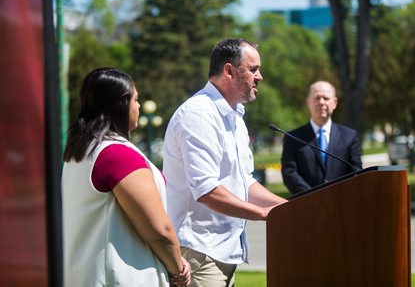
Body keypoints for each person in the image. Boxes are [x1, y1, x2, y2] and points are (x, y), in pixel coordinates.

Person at [163, 38, 287, 286]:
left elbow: (245, 183)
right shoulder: (198, 115)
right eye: (253, 69)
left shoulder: (235, 116)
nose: (260, 77)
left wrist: (289, 208)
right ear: (229, 71)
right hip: (199, 254)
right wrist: (264, 214)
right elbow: (206, 190)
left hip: (223, 252)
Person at [62, 68, 190, 287]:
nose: (139, 106)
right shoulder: (117, 155)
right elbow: (158, 230)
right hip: (122, 277)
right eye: (136, 99)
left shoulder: (79, 152)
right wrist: (177, 267)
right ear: (121, 104)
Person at [281, 81, 362, 195]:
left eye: (326, 98)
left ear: (334, 103)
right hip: (306, 204)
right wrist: (314, 197)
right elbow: (289, 173)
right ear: (308, 102)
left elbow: (356, 171)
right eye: (317, 98)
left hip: (342, 203)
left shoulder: (349, 136)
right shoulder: (293, 138)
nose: (321, 102)